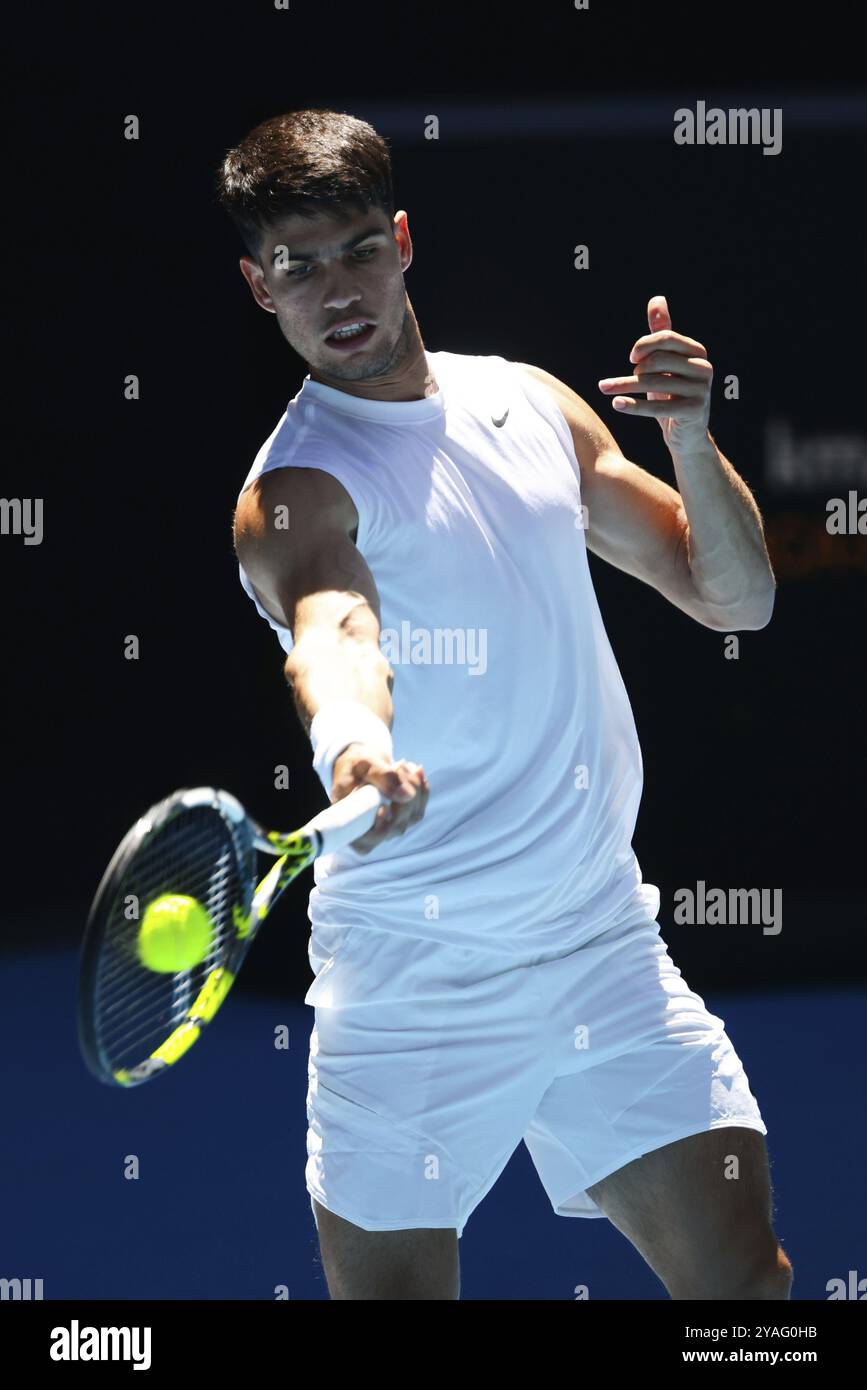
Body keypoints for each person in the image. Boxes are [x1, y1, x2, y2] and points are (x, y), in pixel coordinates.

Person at [218, 109, 791, 1300]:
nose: (338, 290)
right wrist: (356, 744)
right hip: (412, 986)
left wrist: (690, 438)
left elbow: (734, 599)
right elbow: (335, 623)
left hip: (597, 946)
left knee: (746, 1289)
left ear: (406, 240)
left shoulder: (528, 405)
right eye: (298, 267)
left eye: (359, 248)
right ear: (256, 287)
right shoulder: (294, 489)